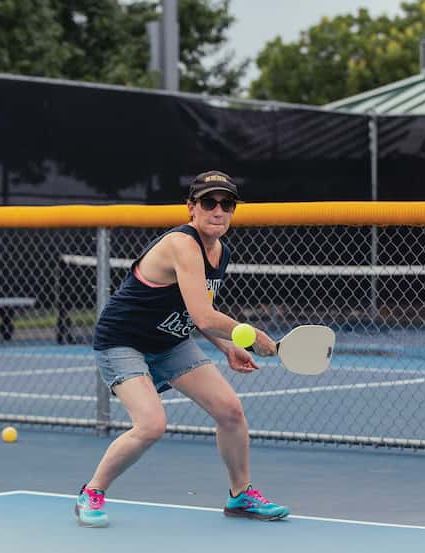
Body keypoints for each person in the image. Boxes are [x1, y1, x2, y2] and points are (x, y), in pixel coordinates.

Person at [75, 170, 290, 527]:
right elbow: (204, 314)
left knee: (230, 411)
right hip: (123, 342)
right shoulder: (181, 244)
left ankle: (241, 496)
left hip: (170, 341)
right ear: (191, 208)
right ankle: (92, 491)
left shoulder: (221, 252)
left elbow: (192, 311)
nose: (218, 211)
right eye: (209, 203)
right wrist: (251, 335)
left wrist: (226, 347)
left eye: (227, 204)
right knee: (151, 424)